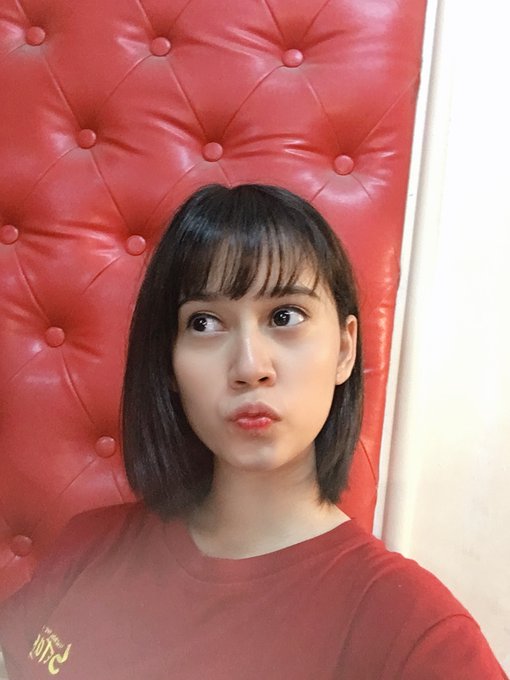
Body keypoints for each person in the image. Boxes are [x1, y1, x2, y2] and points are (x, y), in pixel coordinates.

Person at [0, 184, 507, 679]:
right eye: (204, 323)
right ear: (169, 362)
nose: (249, 366)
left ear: (345, 349)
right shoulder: (89, 545)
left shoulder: (411, 630)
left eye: (285, 316)